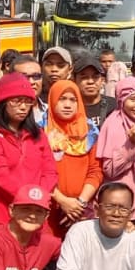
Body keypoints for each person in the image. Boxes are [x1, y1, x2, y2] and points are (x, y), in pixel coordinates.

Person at [0, 71, 58, 270]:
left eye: (27, 101)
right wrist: (31, 199)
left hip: (35, 216)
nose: (23, 106)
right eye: (16, 101)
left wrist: (38, 198)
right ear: (3, 102)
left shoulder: (37, 134)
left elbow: (50, 170)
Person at [45, 79, 102, 235]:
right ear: (52, 100)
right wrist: (63, 201)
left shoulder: (90, 132)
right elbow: (37, 172)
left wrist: (79, 203)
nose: (68, 105)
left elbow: (95, 171)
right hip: (47, 209)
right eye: (62, 99)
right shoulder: (40, 131)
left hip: (81, 210)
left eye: (73, 100)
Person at [97, 78, 135, 224]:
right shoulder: (114, 124)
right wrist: (131, 146)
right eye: (133, 99)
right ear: (122, 100)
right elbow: (109, 170)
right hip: (119, 205)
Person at [73, 51, 116, 131]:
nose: (90, 81)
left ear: (102, 80)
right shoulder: (69, 108)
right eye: (84, 77)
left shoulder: (114, 106)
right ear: (74, 80)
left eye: (95, 77)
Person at [9, 55, 48, 126]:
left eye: (36, 76)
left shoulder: (51, 111)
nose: (31, 82)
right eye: (24, 77)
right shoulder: (5, 116)